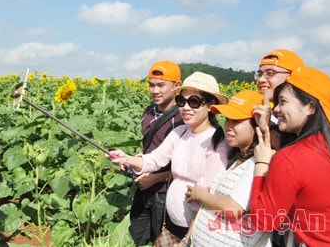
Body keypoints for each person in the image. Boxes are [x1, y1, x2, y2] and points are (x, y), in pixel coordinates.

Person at [108, 72, 230, 240]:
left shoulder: (217, 143)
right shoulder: (179, 132)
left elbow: (206, 197)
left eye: (194, 102)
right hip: (172, 222)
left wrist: (188, 238)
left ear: (210, 105)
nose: (186, 107)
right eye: (182, 101)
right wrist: (126, 158)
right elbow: (155, 159)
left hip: (196, 229)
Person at [250, 66, 330, 246]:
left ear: (310, 107)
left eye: (283, 102)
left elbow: (264, 221)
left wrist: (261, 164)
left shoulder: (292, 158)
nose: (276, 110)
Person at [177, 90, 271, 246]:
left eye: (236, 121)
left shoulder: (259, 163)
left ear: (257, 125)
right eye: (228, 119)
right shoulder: (237, 158)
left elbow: (232, 208)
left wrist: (200, 195)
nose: (228, 126)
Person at [128, 61, 184, 246]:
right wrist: (135, 160)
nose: (155, 90)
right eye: (152, 84)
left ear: (177, 86)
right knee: (136, 236)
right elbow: (151, 148)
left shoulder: (183, 116)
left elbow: (186, 166)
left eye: (161, 85)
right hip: (143, 188)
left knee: (161, 241)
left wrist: (155, 178)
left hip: (165, 192)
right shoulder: (148, 112)